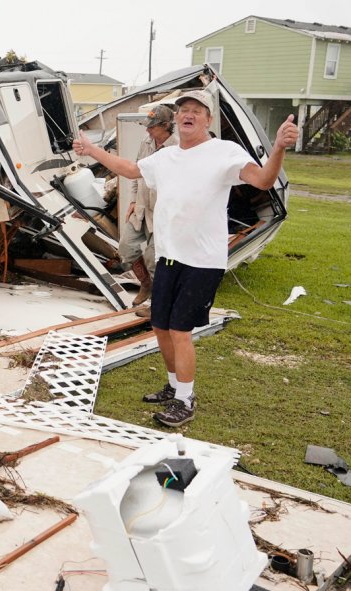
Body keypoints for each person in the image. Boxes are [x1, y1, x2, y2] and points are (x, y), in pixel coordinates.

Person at [72, 89, 298, 427]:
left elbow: (264, 180)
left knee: (180, 330)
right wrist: (92, 150)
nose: (188, 114)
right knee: (161, 326)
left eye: (196, 110)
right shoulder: (166, 157)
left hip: (202, 261)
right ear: (176, 119)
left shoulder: (224, 152)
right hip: (168, 257)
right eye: (182, 110)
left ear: (208, 119)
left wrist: (278, 147)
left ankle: (185, 400)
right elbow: (131, 170)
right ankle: (175, 385)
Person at [120, 104, 178, 318]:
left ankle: (157, 307)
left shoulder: (178, 148)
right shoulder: (146, 142)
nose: (148, 130)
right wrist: (133, 200)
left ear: (166, 126)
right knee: (126, 249)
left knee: (155, 260)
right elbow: (136, 171)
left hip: (163, 213)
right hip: (142, 208)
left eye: (152, 127)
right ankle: (146, 285)